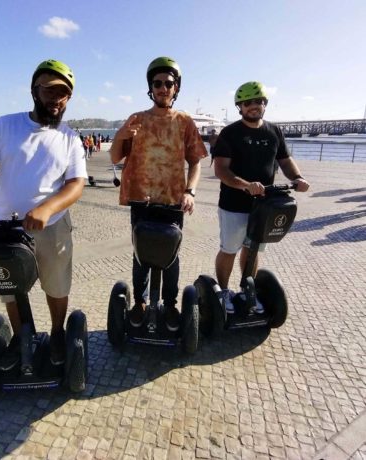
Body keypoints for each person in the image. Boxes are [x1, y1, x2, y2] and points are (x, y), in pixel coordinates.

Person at [0, 59, 88, 370]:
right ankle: (20, 334)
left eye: (63, 93)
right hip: (4, 225)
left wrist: (47, 208)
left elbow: (76, 184)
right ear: (34, 91)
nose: (56, 98)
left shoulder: (69, 137)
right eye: (49, 90)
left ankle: (56, 332)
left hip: (51, 225)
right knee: (9, 287)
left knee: (56, 285)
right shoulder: (5, 125)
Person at [110, 56, 207, 332]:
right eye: (158, 83)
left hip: (173, 200)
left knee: (171, 256)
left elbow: (196, 161)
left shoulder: (185, 121)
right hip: (142, 199)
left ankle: (171, 303)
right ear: (150, 88)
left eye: (169, 83)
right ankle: (139, 301)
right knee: (141, 254)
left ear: (176, 88)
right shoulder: (137, 120)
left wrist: (191, 191)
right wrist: (120, 134)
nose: (164, 88)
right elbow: (116, 157)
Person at [213, 81, 310, 314]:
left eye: (259, 101)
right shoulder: (231, 133)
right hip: (234, 205)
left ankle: (247, 290)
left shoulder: (274, 131)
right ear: (240, 107)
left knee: (253, 249)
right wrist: (245, 185)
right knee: (230, 248)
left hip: (265, 205)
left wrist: (298, 178)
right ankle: (224, 292)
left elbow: (285, 160)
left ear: (265, 104)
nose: (254, 106)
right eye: (248, 103)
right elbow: (221, 170)